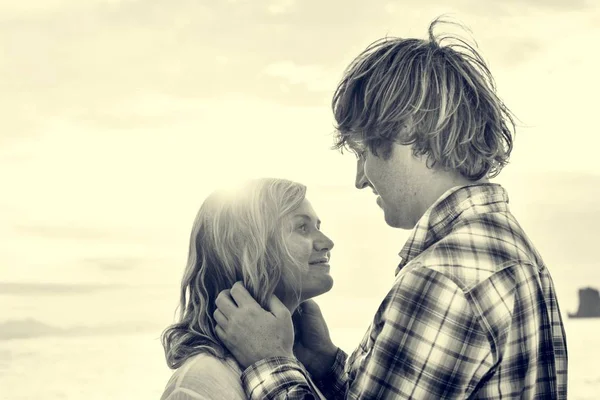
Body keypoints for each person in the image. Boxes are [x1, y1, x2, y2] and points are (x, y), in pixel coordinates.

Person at [213, 17, 568, 399]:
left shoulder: (444, 277)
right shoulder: (505, 247)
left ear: (406, 131)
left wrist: (267, 359)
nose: (360, 179)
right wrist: (326, 363)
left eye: (363, 152)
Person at [160, 178, 335, 400]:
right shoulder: (200, 383)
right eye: (302, 227)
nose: (327, 242)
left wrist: (324, 364)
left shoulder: (297, 363)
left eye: (318, 227)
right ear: (248, 249)